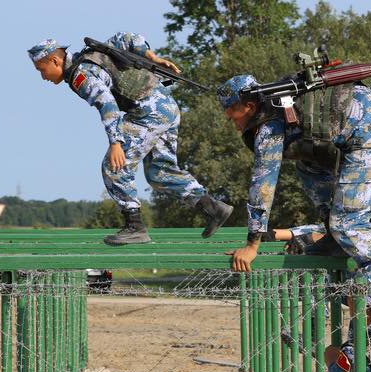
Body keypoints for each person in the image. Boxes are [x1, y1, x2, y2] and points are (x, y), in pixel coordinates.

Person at [219, 72, 371, 293]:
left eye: (233, 117)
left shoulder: (269, 127)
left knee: (348, 222)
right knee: (308, 167)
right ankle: (334, 236)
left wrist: (252, 245)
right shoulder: (291, 93)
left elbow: (263, 186)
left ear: (249, 106)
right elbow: (349, 92)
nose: (235, 126)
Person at [28, 34, 232, 245]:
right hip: (166, 106)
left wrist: (116, 143)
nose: (43, 77)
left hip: (149, 112)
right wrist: (154, 57)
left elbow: (107, 104)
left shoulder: (81, 76)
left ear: (54, 60)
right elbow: (126, 38)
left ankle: (134, 226)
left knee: (113, 166)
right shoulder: (93, 53)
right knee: (159, 172)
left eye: (41, 70)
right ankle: (213, 208)